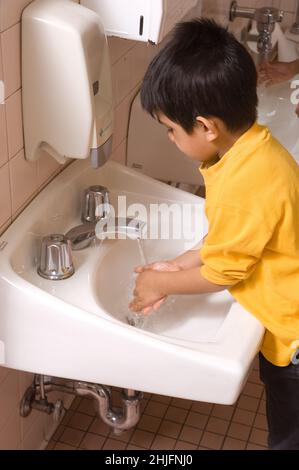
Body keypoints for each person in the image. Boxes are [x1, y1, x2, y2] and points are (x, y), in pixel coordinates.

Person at [129, 19, 299, 450]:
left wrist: (157, 283)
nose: (169, 138)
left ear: (206, 126)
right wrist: (182, 263)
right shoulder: (254, 150)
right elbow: (233, 240)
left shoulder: (244, 183)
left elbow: (223, 272)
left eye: (170, 128)